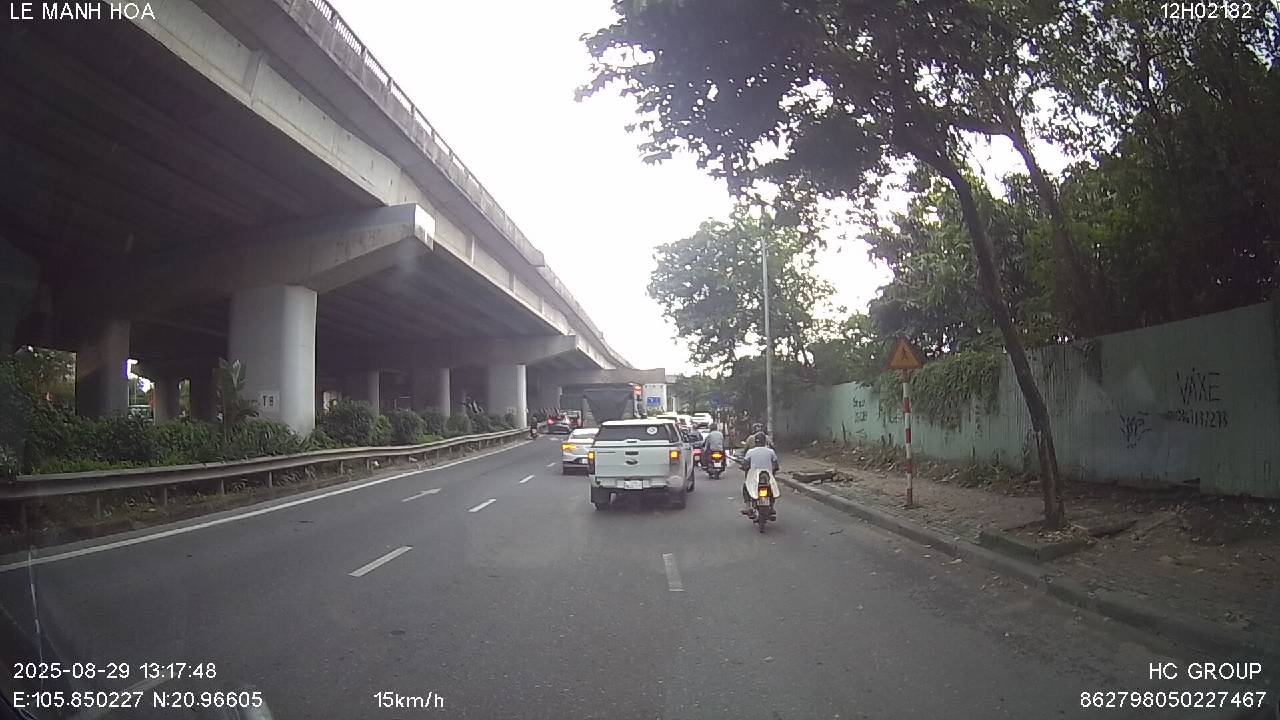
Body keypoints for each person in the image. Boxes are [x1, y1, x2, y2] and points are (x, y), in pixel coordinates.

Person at [739, 432, 779, 517]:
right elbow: (776, 465)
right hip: (767, 475)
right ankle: (772, 506)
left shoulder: (750, 451)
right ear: (764, 441)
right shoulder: (770, 451)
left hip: (754, 476)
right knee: (773, 488)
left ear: (755, 442)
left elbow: (744, 464)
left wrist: (743, 467)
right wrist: (774, 470)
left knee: (746, 487)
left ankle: (748, 506)